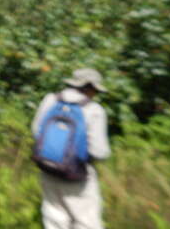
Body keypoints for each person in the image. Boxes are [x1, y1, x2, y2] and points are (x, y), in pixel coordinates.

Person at [31, 68, 111, 229]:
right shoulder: (94, 110)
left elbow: (36, 131)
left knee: (54, 217)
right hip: (76, 175)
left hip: (47, 168)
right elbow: (99, 151)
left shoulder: (51, 99)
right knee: (86, 221)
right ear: (90, 87)